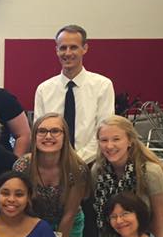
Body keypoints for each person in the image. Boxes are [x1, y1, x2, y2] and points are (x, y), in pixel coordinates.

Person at [33, 25, 115, 164]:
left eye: (73, 47)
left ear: (85, 48)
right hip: (53, 164)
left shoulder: (102, 86)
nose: (68, 53)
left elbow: (104, 132)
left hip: (91, 163)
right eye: (63, 48)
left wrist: (76, 161)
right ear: (57, 50)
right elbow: (40, 133)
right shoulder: (44, 89)